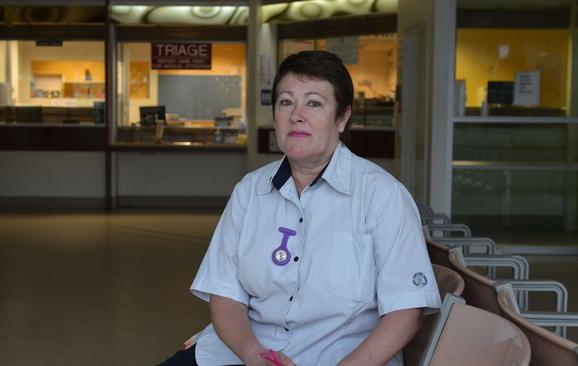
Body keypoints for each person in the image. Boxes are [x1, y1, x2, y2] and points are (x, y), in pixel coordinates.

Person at [159, 50, 441, 366]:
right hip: (245, 354)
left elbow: (406, 312)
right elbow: (225, 294)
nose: (297, 115)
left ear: (343, 117)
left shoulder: (383, 196)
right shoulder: (250, 191)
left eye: (314, 103)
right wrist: (254, 355)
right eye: (286, 102)